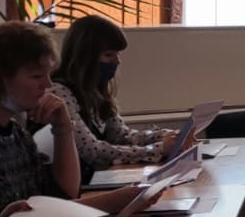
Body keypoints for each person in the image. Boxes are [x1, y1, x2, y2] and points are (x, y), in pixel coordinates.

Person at [0, 22, 154, 217]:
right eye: (37, 76)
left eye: (48, 74)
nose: (48, 84)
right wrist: (112, 202)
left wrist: (63, 129)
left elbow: (64, 193)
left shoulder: (18, 135)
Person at [49, 15, 172, 178]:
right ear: (85, 57)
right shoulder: (59, 93)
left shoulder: (96, 92)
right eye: (108, 55)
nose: (117, 61)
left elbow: (120, 136)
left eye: (117, 54)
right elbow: (92, 151)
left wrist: (167, 135)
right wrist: (157, 149)